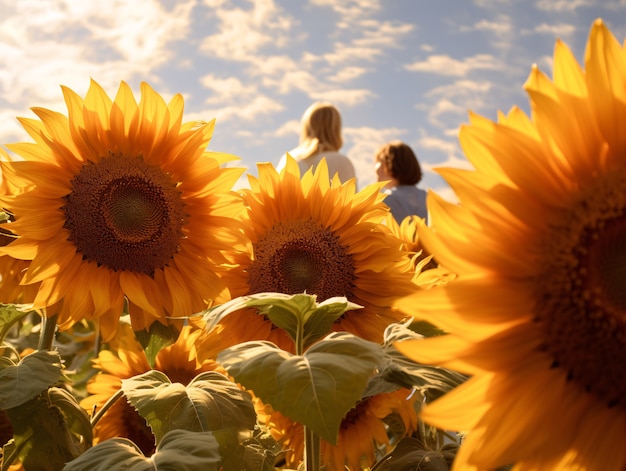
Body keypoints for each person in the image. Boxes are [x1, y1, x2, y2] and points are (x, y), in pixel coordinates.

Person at [277, 102, 356, 183]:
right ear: (336, 129)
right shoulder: (341, 161)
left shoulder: (289, 158)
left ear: (306, 128)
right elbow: (349, 193)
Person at [375, 140, 428, 223]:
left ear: (389, 165)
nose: (376, 168)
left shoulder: (387, 199)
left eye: (379, 162)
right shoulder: (426, 196)